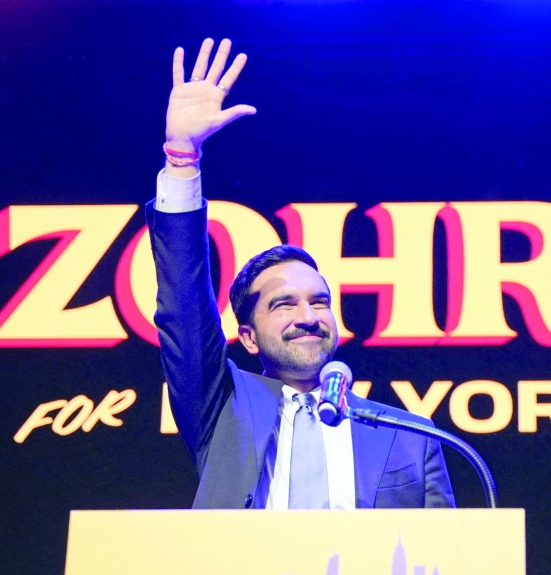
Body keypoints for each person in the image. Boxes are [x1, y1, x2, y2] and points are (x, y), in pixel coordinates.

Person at [149, 38, 455, 510]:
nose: (308, 315)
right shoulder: (224, 409)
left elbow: (444, 566)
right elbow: (183, 308)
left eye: (318, 301)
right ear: (248, 338)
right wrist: (182, 160)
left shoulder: (408, 435)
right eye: (283, 303)